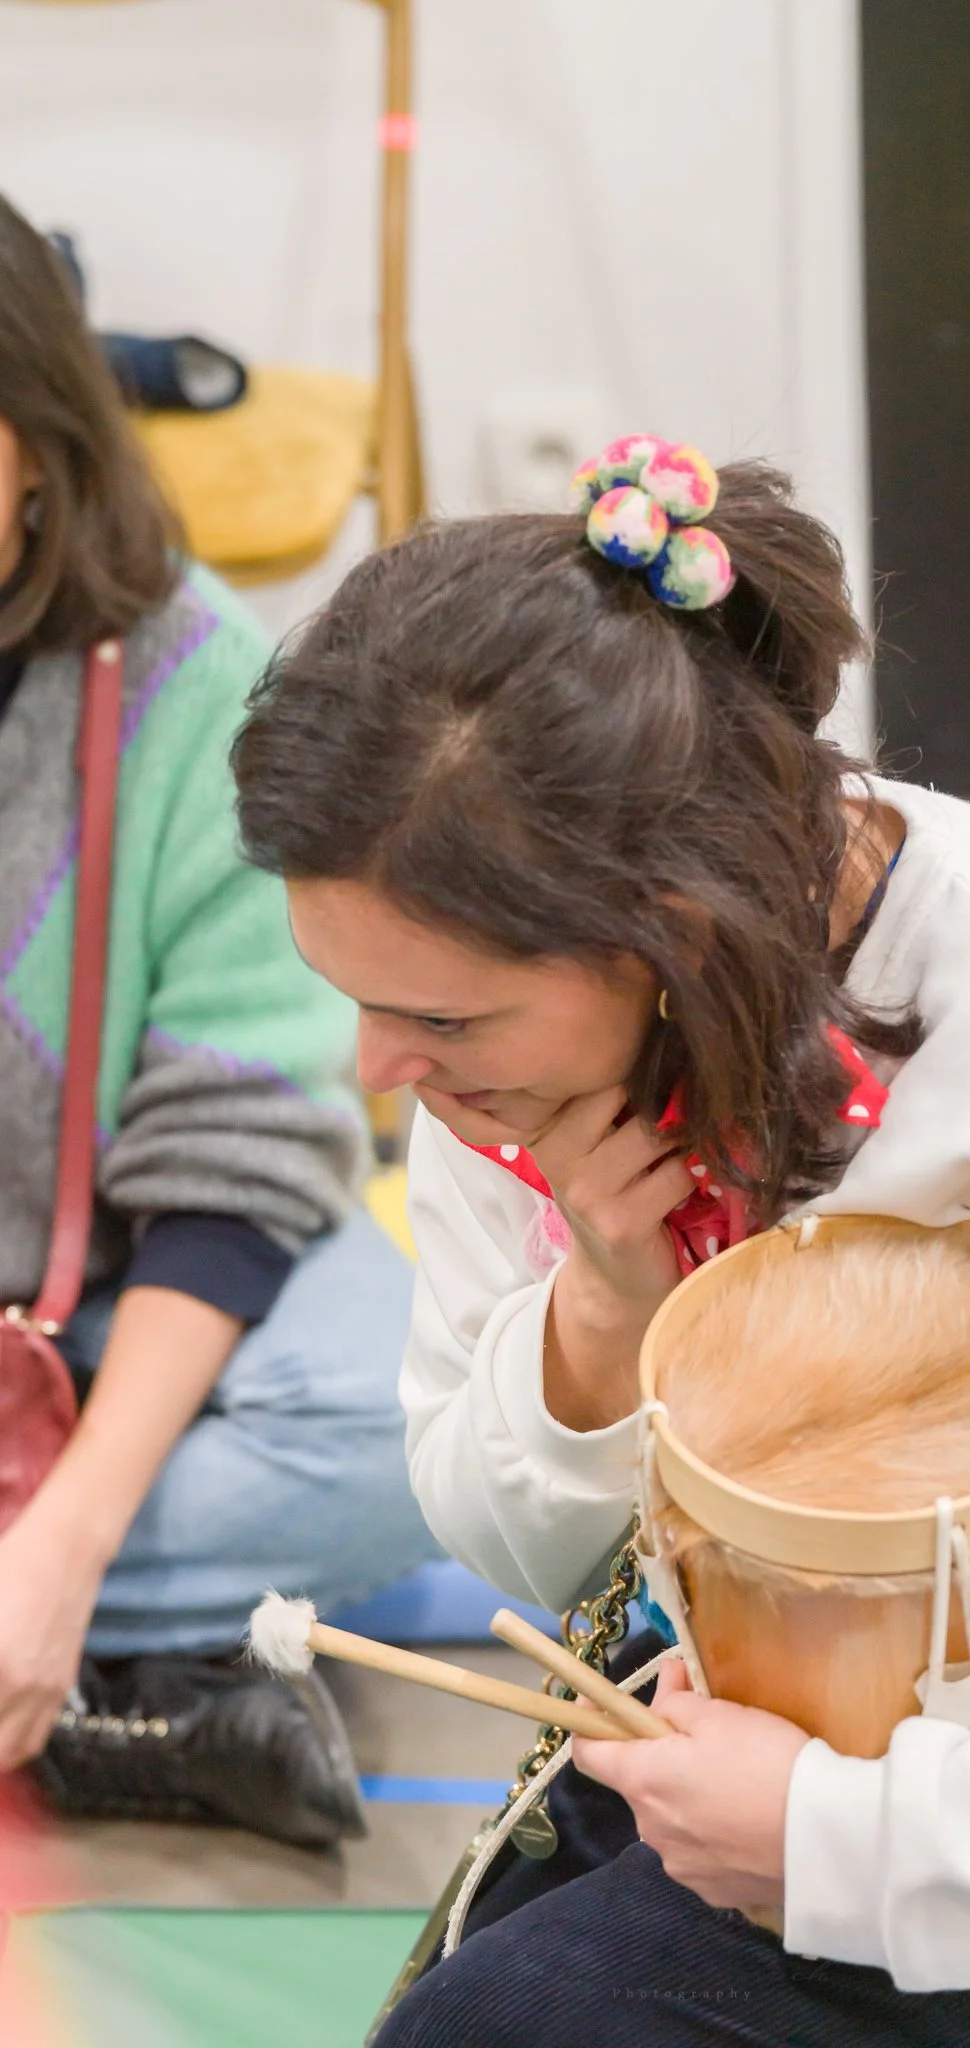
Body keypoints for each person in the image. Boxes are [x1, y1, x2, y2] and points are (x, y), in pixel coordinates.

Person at [232, 434, 970, 2042]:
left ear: (672, 928)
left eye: (431, 1014)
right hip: (753, 1716)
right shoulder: (528, 1042)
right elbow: (530, 1561)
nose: (378, 1071)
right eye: (354, 1001)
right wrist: (601, 1325)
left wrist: (843, 1841)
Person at [0, 192, 439, 1847]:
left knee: (405, 1426)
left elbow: (242, 1142)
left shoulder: (191, 676)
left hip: (123, 1298)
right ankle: (161, 1675)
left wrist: (64, 1543)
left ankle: (69, 1622)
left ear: (40, 442)